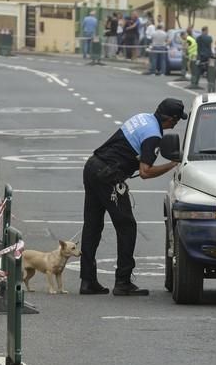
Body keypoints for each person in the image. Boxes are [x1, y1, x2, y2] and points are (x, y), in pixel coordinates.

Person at [79, 98, 187, 296]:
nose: (176, 124)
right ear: (170, 119)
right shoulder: (154, 135)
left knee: (92, 225)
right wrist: (172, 165)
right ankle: (123, 281)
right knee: (127, 226)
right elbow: (145, 172)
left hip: (93, 166)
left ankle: (87, 281)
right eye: (177, 120)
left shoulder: (143, 118)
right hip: (108, 176)